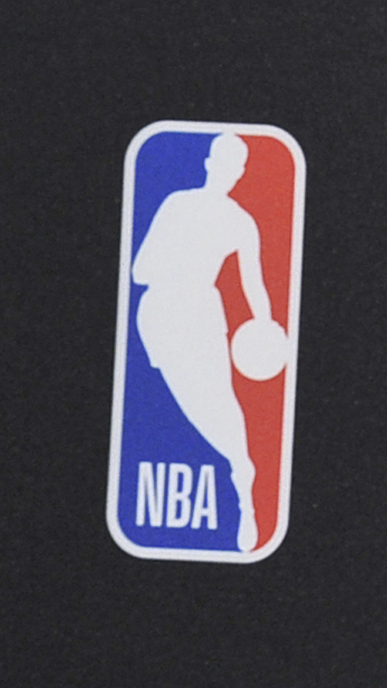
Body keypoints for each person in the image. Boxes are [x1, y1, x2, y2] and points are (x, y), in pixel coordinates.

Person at [130, 132, 278, 552]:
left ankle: (245, 492)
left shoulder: (240, 222)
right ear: (210, 162)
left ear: (241, 172)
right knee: (192, 405)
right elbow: (139, 270)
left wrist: (265, 327)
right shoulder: (177, 204)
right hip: (160, 316)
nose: (230, 171)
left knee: (223, 405)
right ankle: (239, 469)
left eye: (237, 165)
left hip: (200, 313)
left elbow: (255, 285)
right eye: (225, 160)